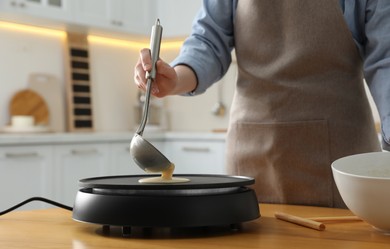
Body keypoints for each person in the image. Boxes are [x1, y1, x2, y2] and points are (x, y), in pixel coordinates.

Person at [134, 0, 390, 208]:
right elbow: (208, 42)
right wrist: (176, 78)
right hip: (249, 155)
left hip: (341, 157)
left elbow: (385, 60)